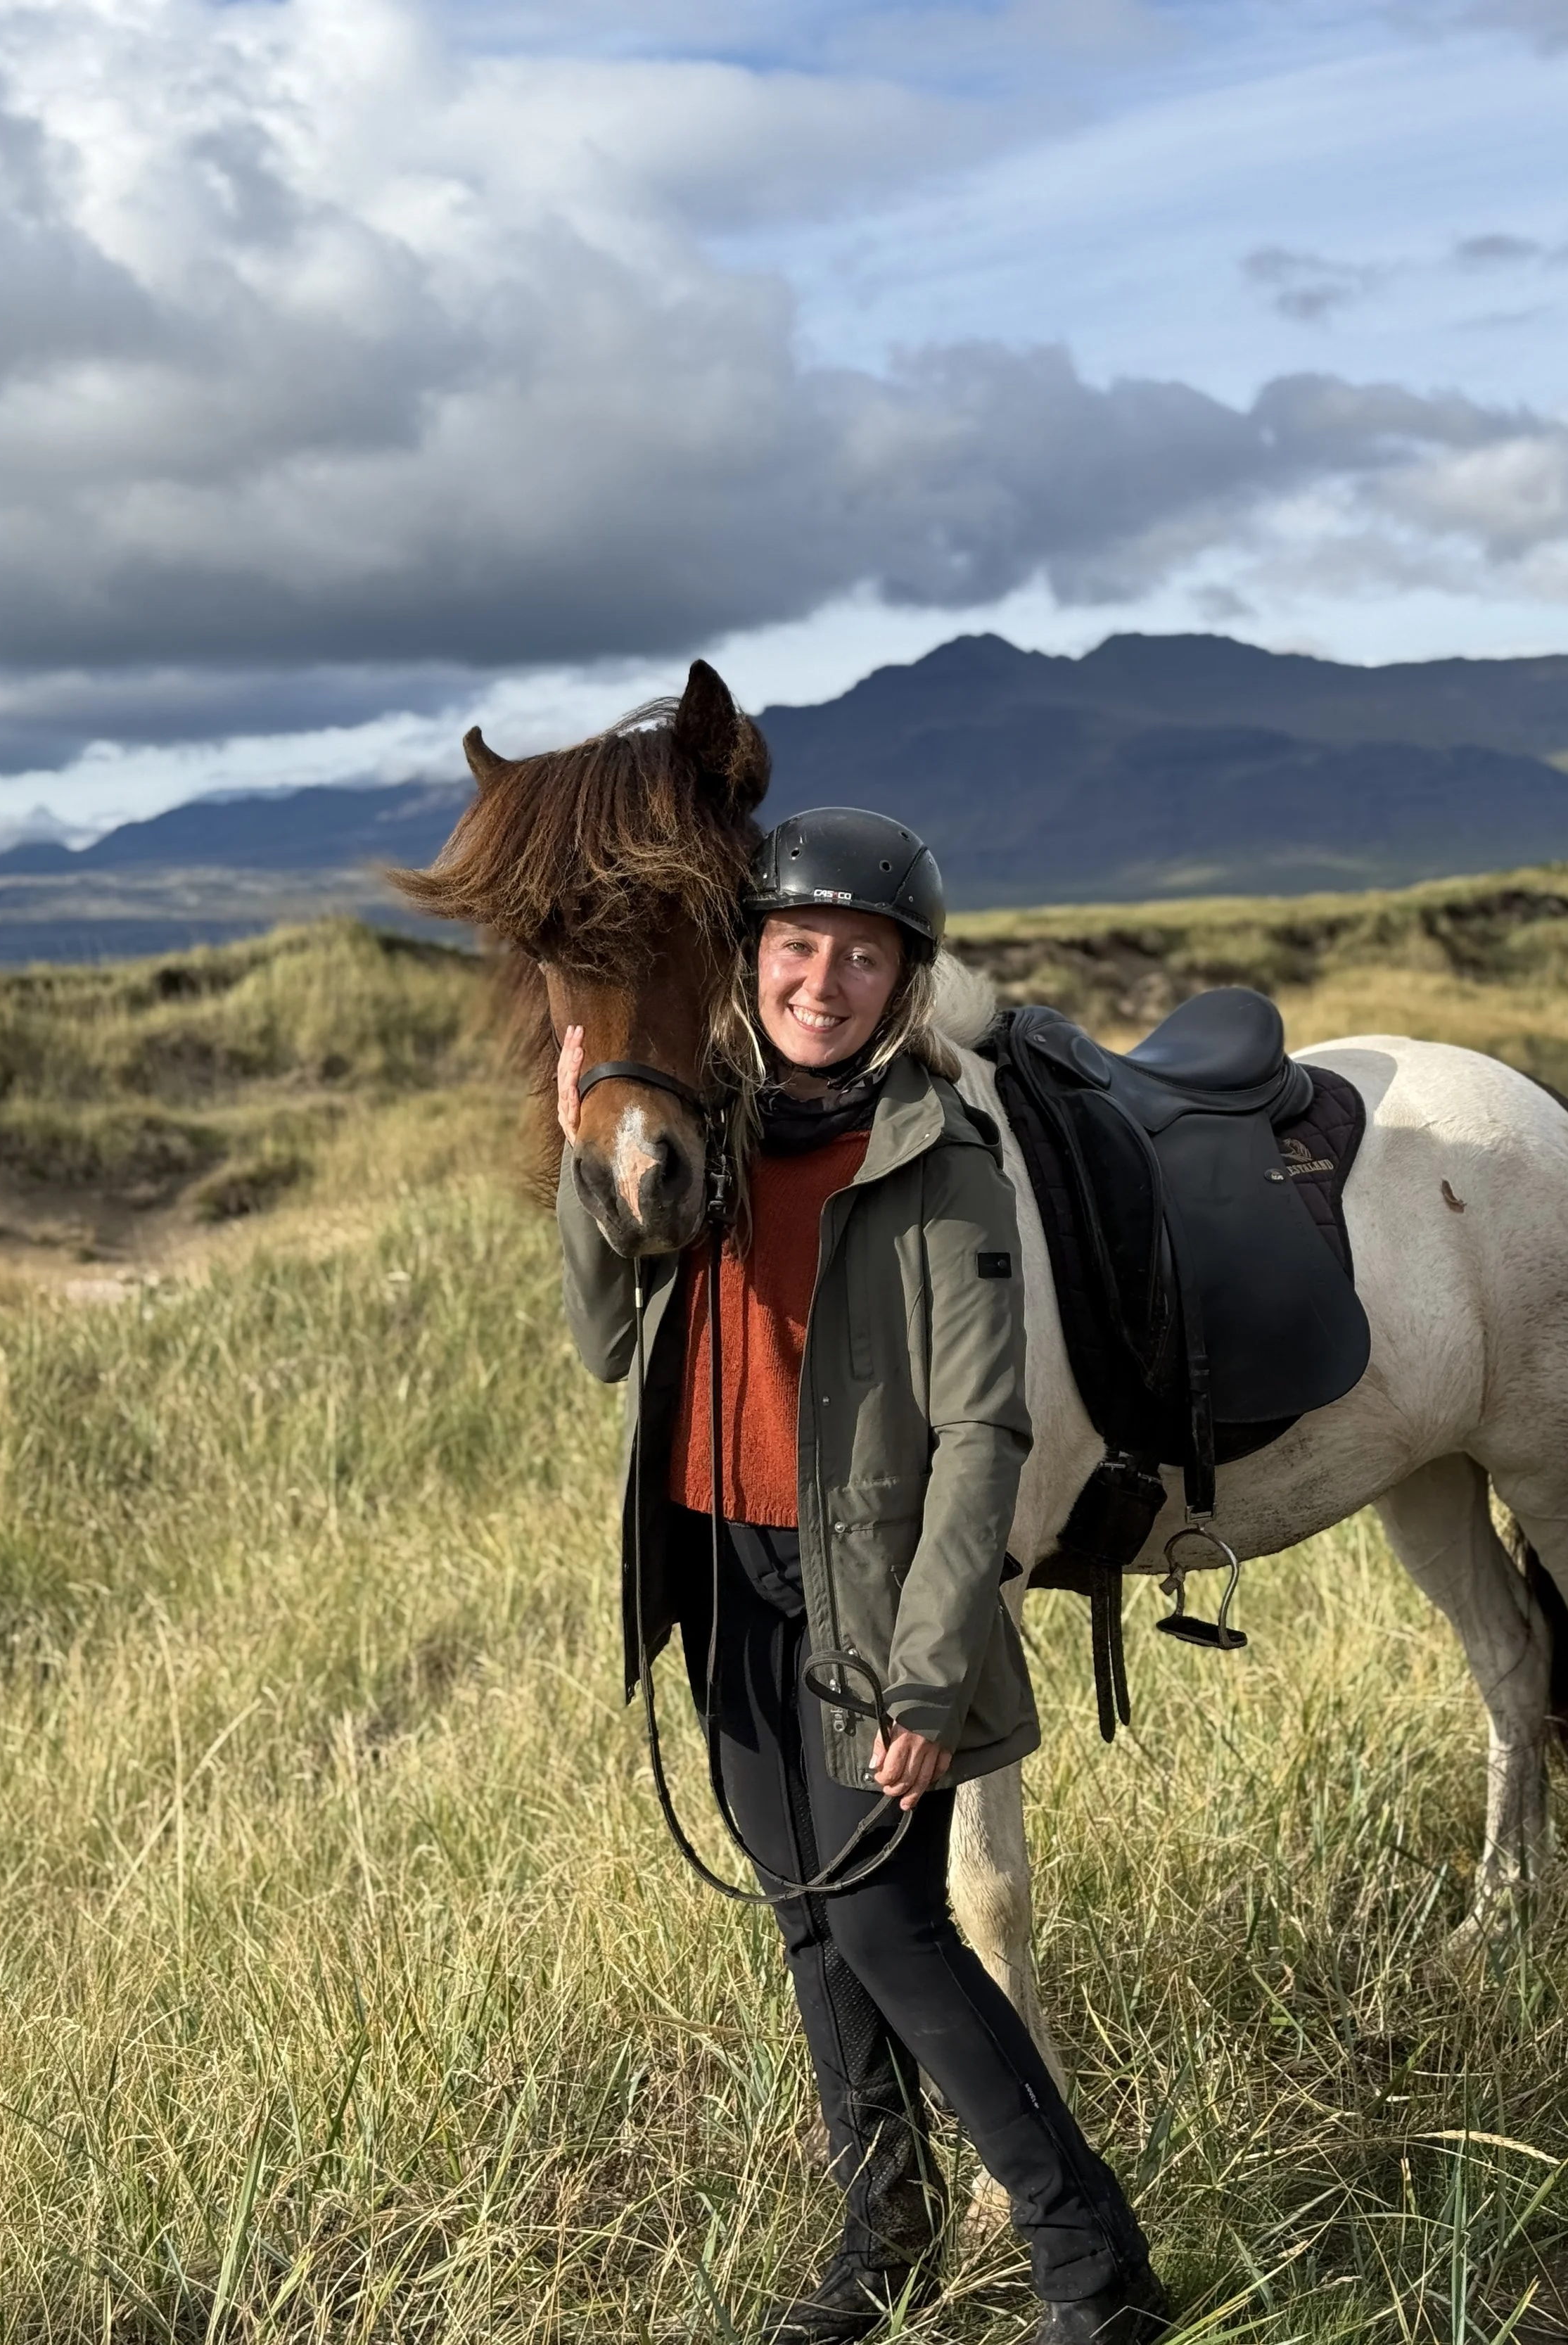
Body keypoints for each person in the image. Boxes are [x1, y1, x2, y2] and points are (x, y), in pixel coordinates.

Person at [556, 806, 1170, 2344]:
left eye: (859, 955)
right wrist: (585, 1153)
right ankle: (882, 2236)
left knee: (894, 1925)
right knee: (808, 1920)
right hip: (720, 1571)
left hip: (871, 1600)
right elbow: (603, 1335)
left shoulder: (941, 1164)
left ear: (901, 980)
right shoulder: (710, 1128)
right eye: (794, 947)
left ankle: (1092, 2262)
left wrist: (931, 1667)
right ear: (749, 962)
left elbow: (983, 1432)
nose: (819, 979)